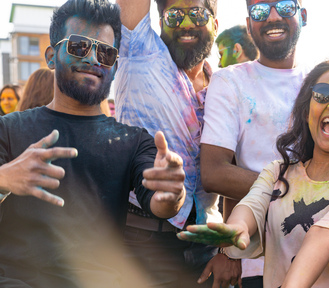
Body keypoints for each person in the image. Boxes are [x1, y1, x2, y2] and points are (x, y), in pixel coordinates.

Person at [179, 55, 329, 288]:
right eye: (322, 94)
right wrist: (237, 227)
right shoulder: (278, 172)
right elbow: (253, 205)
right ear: (306, 109)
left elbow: (323, 235)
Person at [0, 0, 187, 287]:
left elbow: (161, 202)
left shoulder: (133, 141)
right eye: (79, 47)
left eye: (106, 52)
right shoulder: (9, 129)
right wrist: (4, 178)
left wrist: (172, 194)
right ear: (51, 56)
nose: (94, 59)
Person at [114, 0, 238, 286]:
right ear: (159, 24)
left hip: (206, 245)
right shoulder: (140, 51)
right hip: (141, 241)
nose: (185, 23)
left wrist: (227, 251)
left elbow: (233, 171)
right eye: (174, 15)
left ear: (215, 25)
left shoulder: (227, 89)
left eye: (197, 14)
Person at [200, 0, 308, 286]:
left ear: (303, 16)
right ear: (249, 25)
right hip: (258, 263)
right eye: (260, 10)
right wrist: (302, 191)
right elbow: (216, 173)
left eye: (285, 6)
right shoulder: (229, 82)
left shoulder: (322, 85)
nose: (273, 16)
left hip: (326, 257)